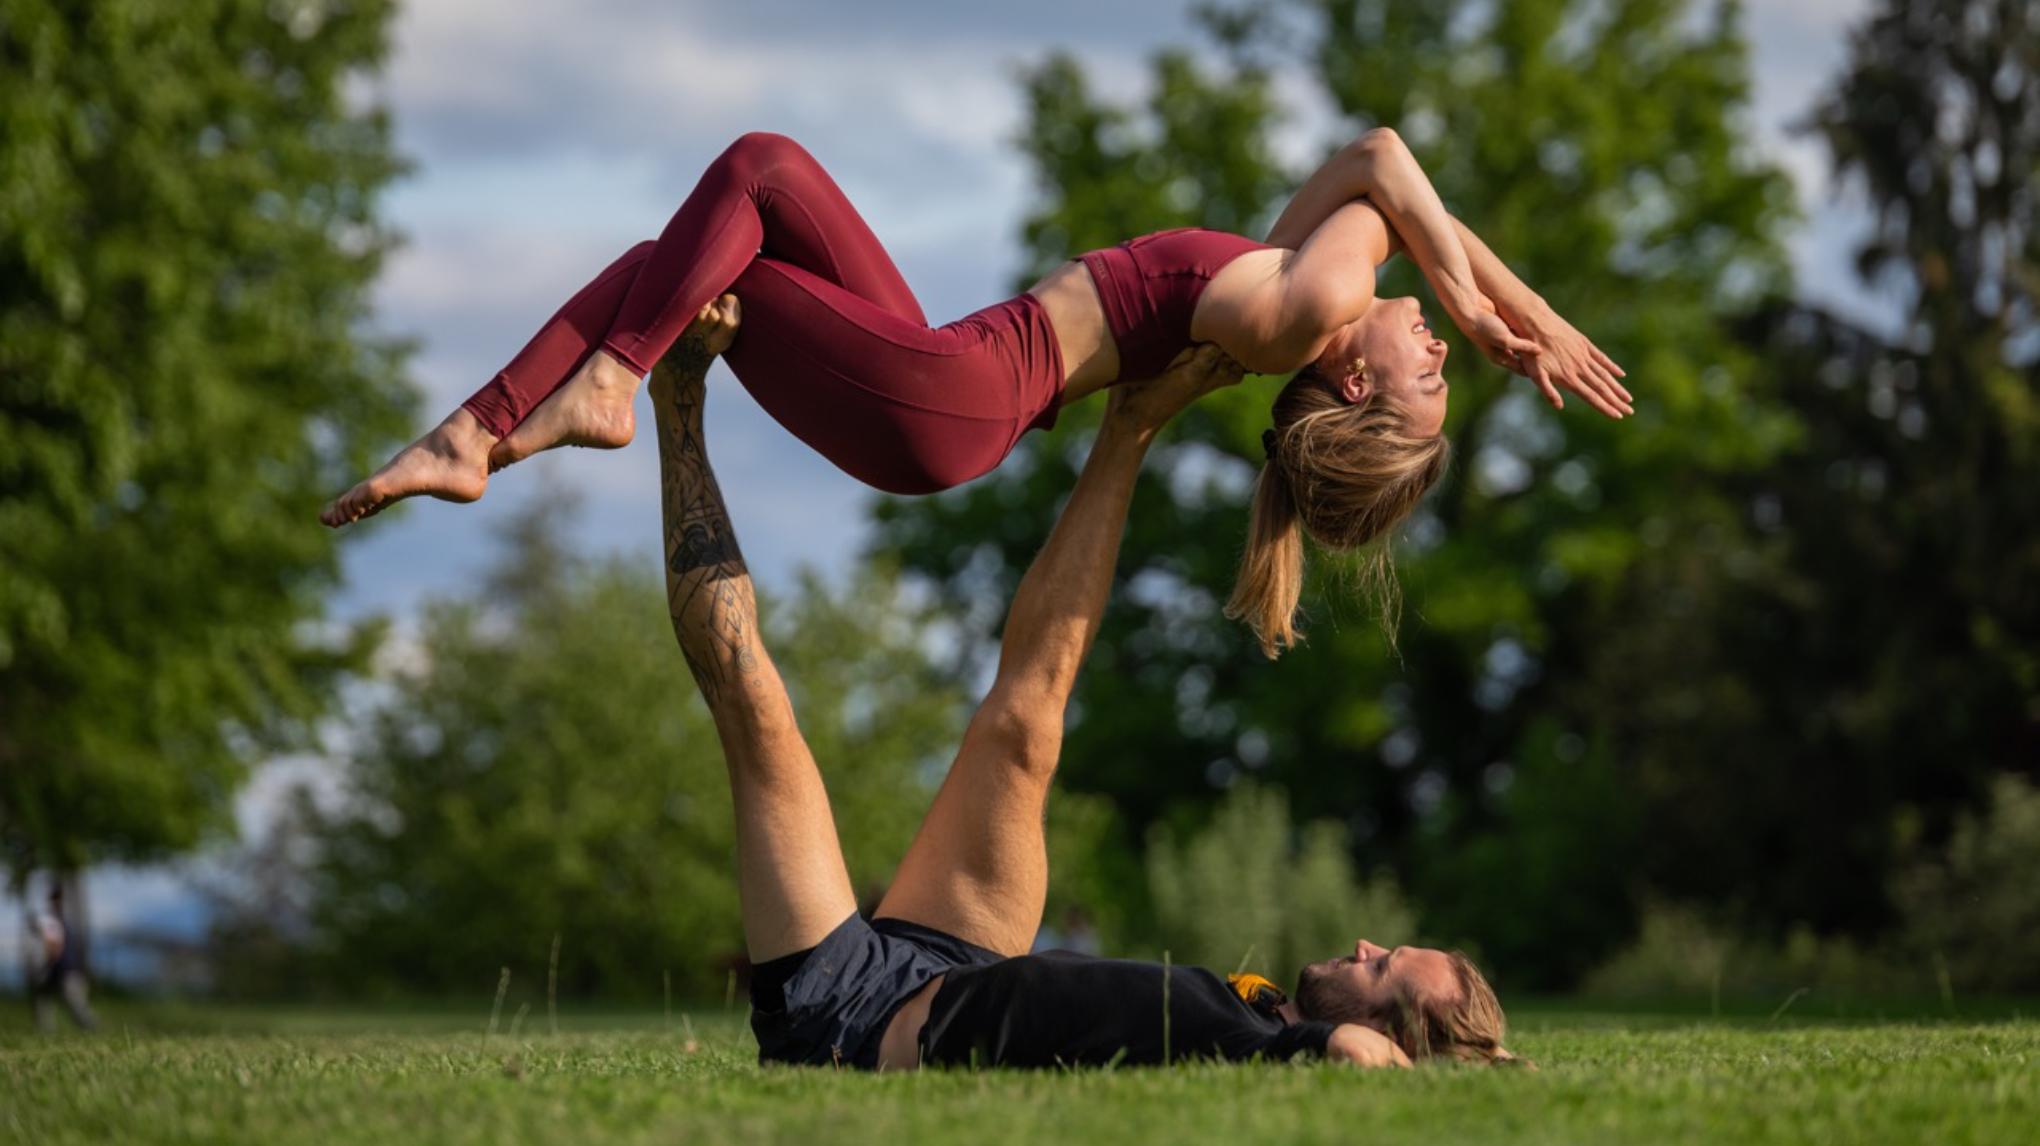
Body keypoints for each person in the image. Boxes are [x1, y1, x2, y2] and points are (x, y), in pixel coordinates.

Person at [324, 130, 1625, 656]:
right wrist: (1531, 320)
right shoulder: (1305, 297)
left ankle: (599, 387)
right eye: (1450, 364)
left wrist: (1489, 311)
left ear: (1353, 379)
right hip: (951, 366)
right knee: (681, 255)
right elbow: (1371, 176)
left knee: (761, 172)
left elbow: (1388, 164)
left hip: (950, 393)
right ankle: (475, 433)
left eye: (1432, 381)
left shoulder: (1305, 315)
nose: (1448, 352)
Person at [649, 302, 1517, 1070]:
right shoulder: (1259, 1015)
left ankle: (677, 395)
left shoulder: (1275, 1050)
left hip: (846, 1016)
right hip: (964, 958)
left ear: (1387, 1033)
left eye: (1383, 967)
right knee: (1031, 717)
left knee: (756, 709)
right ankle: (1130, 424)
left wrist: (1377, 1051)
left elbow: (1360, 1061)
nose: (1366, 943)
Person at [31, 885, 98, 1032]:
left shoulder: (52, 921)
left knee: (75, 1004)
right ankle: (46, 1030)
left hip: (65, 968)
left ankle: (92, 1029)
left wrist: (46, 965)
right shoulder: (59, 921)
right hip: (63, 968)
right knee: (44, 997)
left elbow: (54, 945)